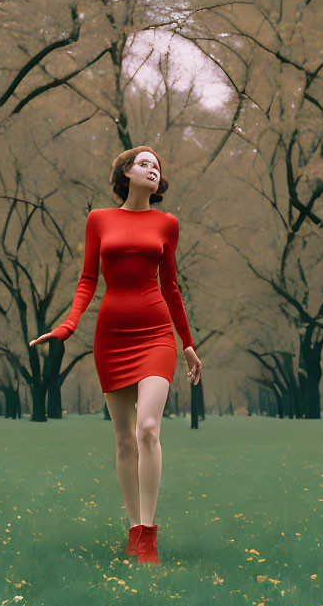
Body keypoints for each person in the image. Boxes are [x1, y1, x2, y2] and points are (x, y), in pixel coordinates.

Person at [29, 146, 202, 566]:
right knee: (124, 438)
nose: (152, 170)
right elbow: (88, 279)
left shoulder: (167, 224)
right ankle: (132, 528)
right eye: (144, 164)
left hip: (157, 334)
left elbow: (172, 287)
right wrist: (67, 326)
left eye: (158, 167)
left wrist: (188, 343)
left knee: (147, 429)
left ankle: (148, 533)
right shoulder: (99, 220)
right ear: (126, 172)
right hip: (112, 338)